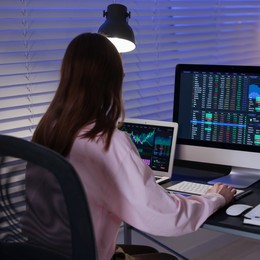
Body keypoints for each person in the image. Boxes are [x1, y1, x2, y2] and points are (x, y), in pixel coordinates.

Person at [30, 32, 236, 260]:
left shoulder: (48, 130)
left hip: (45, 254)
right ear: (112, 81)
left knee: (146, 252)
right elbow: (167, 217)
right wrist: (215, 198)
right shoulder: (107, 141)